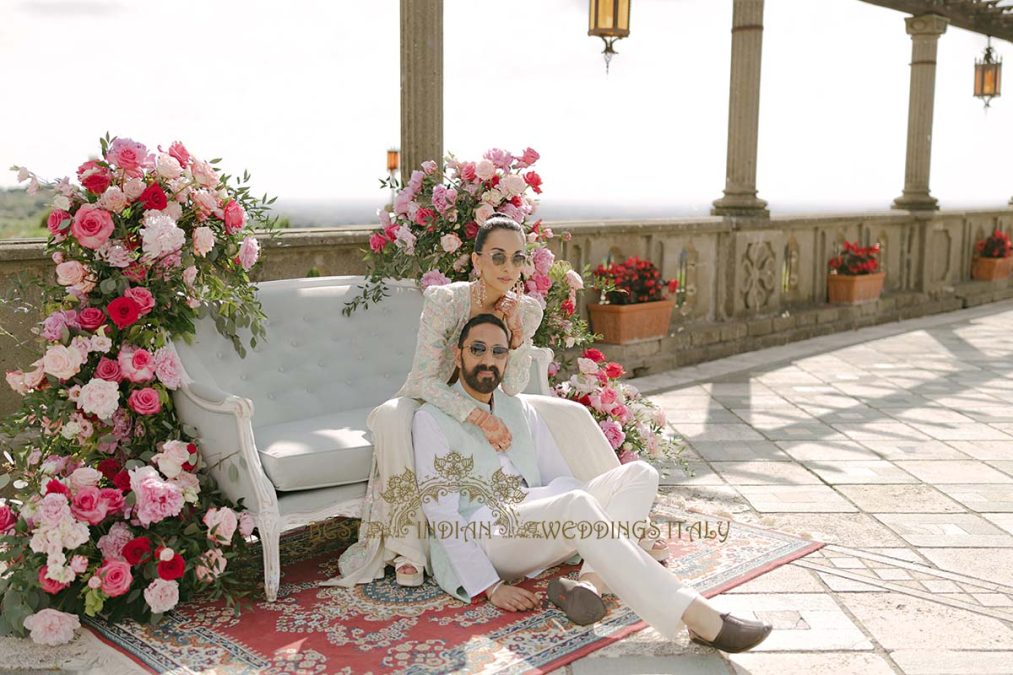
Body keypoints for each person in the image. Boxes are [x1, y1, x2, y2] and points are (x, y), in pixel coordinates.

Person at [412, 313, 773, 653]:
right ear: (458, 355)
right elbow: (441, 513)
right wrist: (491, 587)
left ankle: (589, 585)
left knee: (639, 474)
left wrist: (600, 519)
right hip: (488, 535)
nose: (488, 360)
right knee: (576, 504)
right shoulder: (432, 419)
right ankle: (699, 617)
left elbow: (555, 476)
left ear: (507, 359)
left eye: (498, 351)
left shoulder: (517, 409)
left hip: (535, 517)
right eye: (477, 349)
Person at [326, 214, 544, 588]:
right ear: (476, 260)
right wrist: (477, 417)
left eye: (517, 258)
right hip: (433, 394)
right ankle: (407, 550)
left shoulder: (525, 310)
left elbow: (512, 387)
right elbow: (424, 378)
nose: (509, 268)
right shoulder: (446, 301)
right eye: (498, 257)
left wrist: (517, 335)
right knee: (393, 417)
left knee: (539, 413)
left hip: (483, 396)